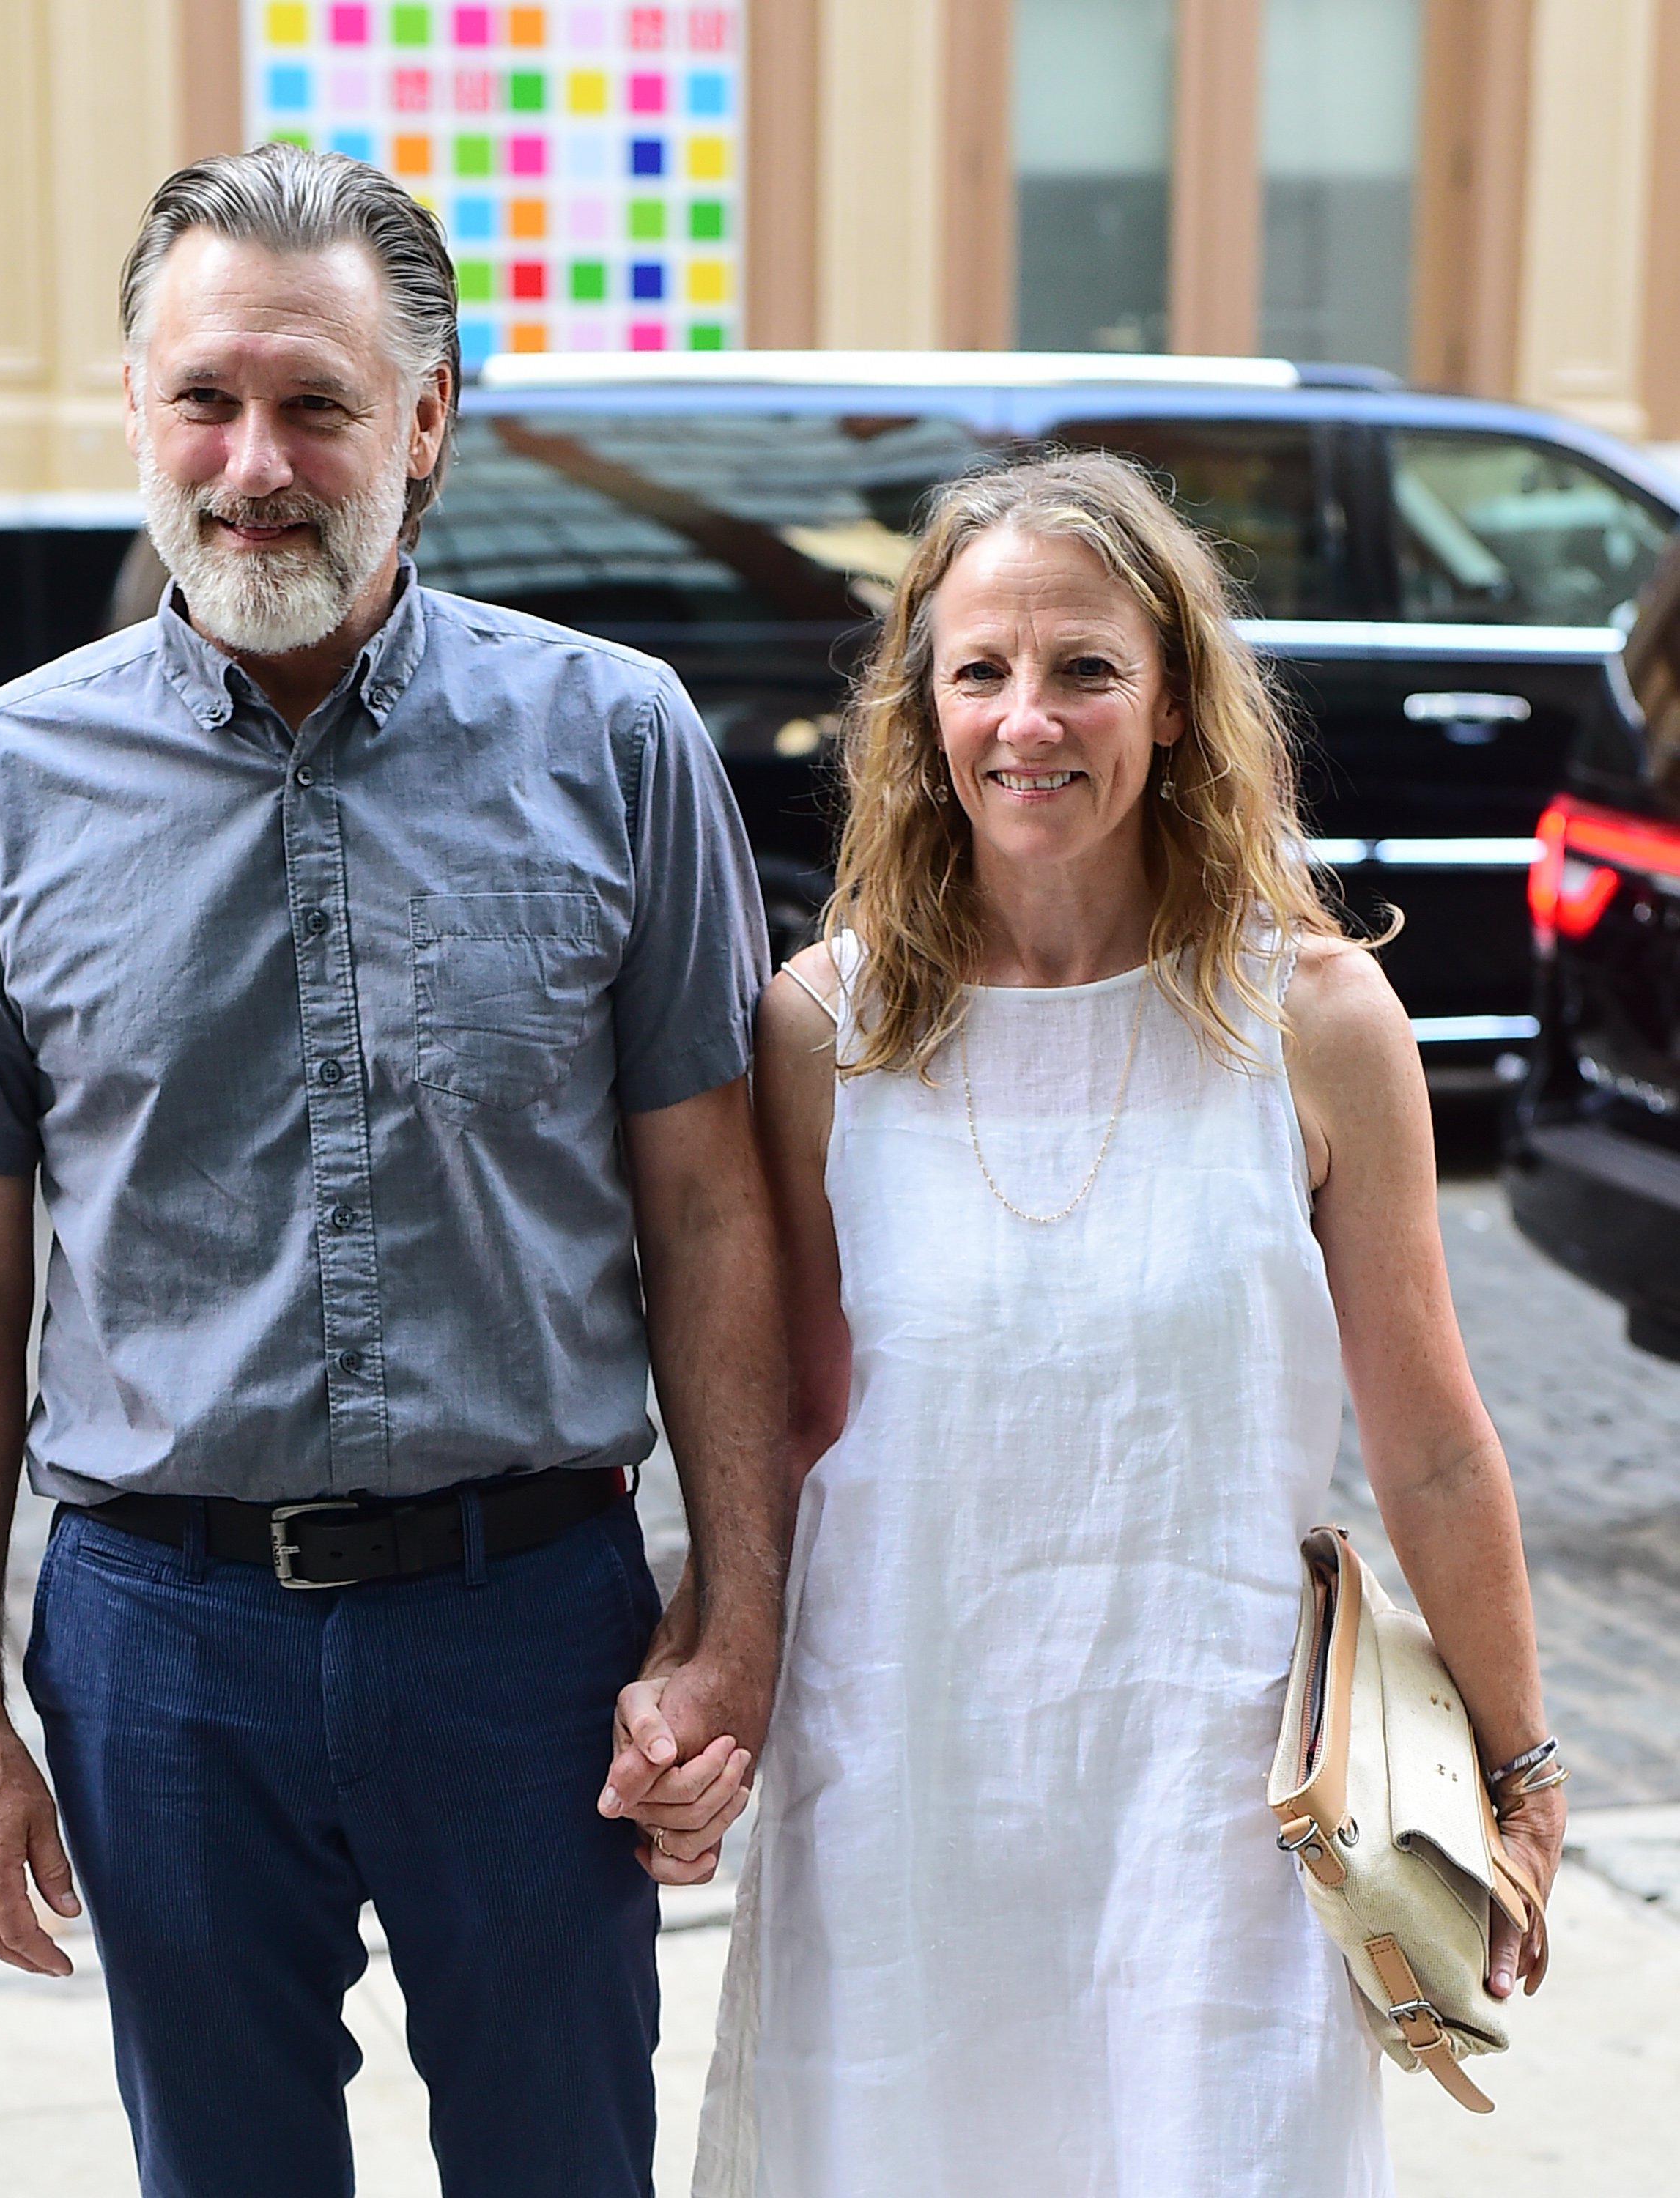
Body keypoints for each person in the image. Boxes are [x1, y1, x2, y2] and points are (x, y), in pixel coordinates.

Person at [0, 144, 788, 2198]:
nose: (252, 461)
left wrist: (732, 1616)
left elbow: (715, 1210)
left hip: (527, 1634)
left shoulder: (618, 744)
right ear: (133, 410)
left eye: (316, 403)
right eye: (205, 398)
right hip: (160, 1650)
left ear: (425, 423)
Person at [608, 453, 1568, 2195]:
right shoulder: (828, 1031)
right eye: (979, 670)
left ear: (1179, 700)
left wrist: (1521, 1767)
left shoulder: (1320, 1021)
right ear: (922, 708)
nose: (1027, 719)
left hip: (1213, 1798)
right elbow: (791, 1426)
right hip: (907, 1774)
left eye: (1085, 669)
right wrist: (708, 1669)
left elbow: (1428, 1438)